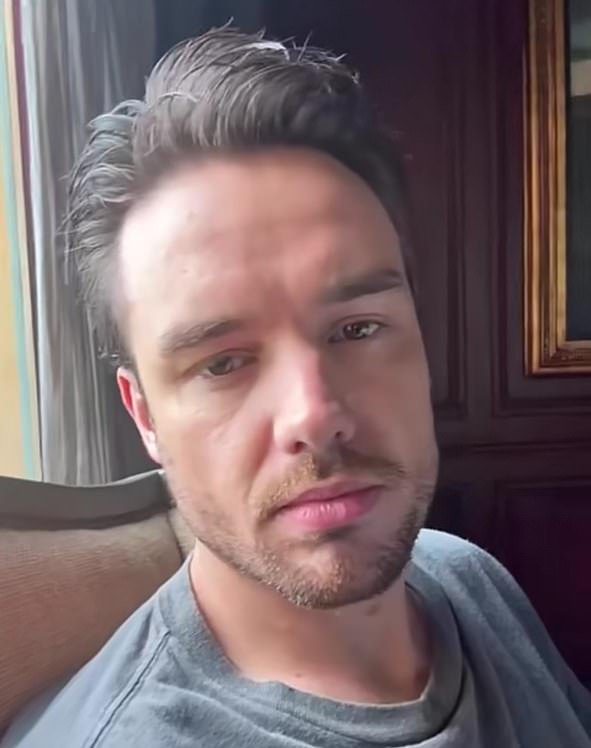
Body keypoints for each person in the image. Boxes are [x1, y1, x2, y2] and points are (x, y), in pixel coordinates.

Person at [3, 26, 590, 748]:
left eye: (357, 329)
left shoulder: (465, 575)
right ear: (145, 416)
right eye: (222, 364)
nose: (314, 414)